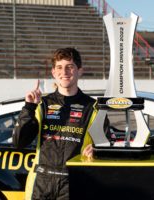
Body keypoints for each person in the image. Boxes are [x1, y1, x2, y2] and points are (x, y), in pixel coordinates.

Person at [13, 47, 95, 200]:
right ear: (53, 73)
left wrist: (97, 149)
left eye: (70, 67)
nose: (64, 72)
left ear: (80, 71)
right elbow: (19, 142)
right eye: (59, 67)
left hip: (74, 181)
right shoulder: (41, 104)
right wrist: (29, 107)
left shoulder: (93, 107)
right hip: (41, 182)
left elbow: (108, 143)